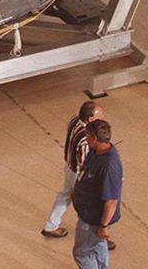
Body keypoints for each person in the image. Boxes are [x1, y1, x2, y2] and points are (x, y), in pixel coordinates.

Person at [42, 101, 114, 252]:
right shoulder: (85, 140)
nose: (103, 118)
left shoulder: (74, 120)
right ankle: (100, 237)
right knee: (93, 206)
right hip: (78, 174)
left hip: (69, 166)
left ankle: (51, 225)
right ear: (89, 119)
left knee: (64, 195)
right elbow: (85, 165)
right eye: (99, 116)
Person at [71, 119, 122, 269]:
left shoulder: (109, 165)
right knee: (98, 245)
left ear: (93, 137)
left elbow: (111, 200)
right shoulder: (96, 152)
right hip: (88, 211)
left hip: (94, 218)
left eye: (87, 135)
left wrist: (103, 225)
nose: (85, 137)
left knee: (82, 252)